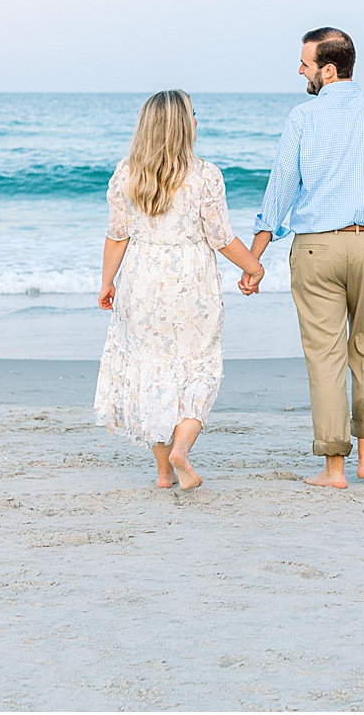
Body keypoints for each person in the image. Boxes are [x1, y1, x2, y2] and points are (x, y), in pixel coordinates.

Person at [248, 27, 364, 490]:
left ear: (328, 70)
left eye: (305, 64)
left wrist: (255, 258)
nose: (300, 71)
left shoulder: (302, 118)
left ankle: (334, 469)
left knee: (325, 356)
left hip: (317, 248)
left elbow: (280, 190)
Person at [95, 90, 266, 490]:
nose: (196, 119)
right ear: (183, 124)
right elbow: (221, 237)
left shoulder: (127, 173)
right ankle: (182, 449)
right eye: (193, 113)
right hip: (192, 281)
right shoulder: (205, 174)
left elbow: (117, 236)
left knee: (151, 370)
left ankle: (162, 472)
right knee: (199, 366)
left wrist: (107, 282)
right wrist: (253, 267)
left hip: (141, 280)